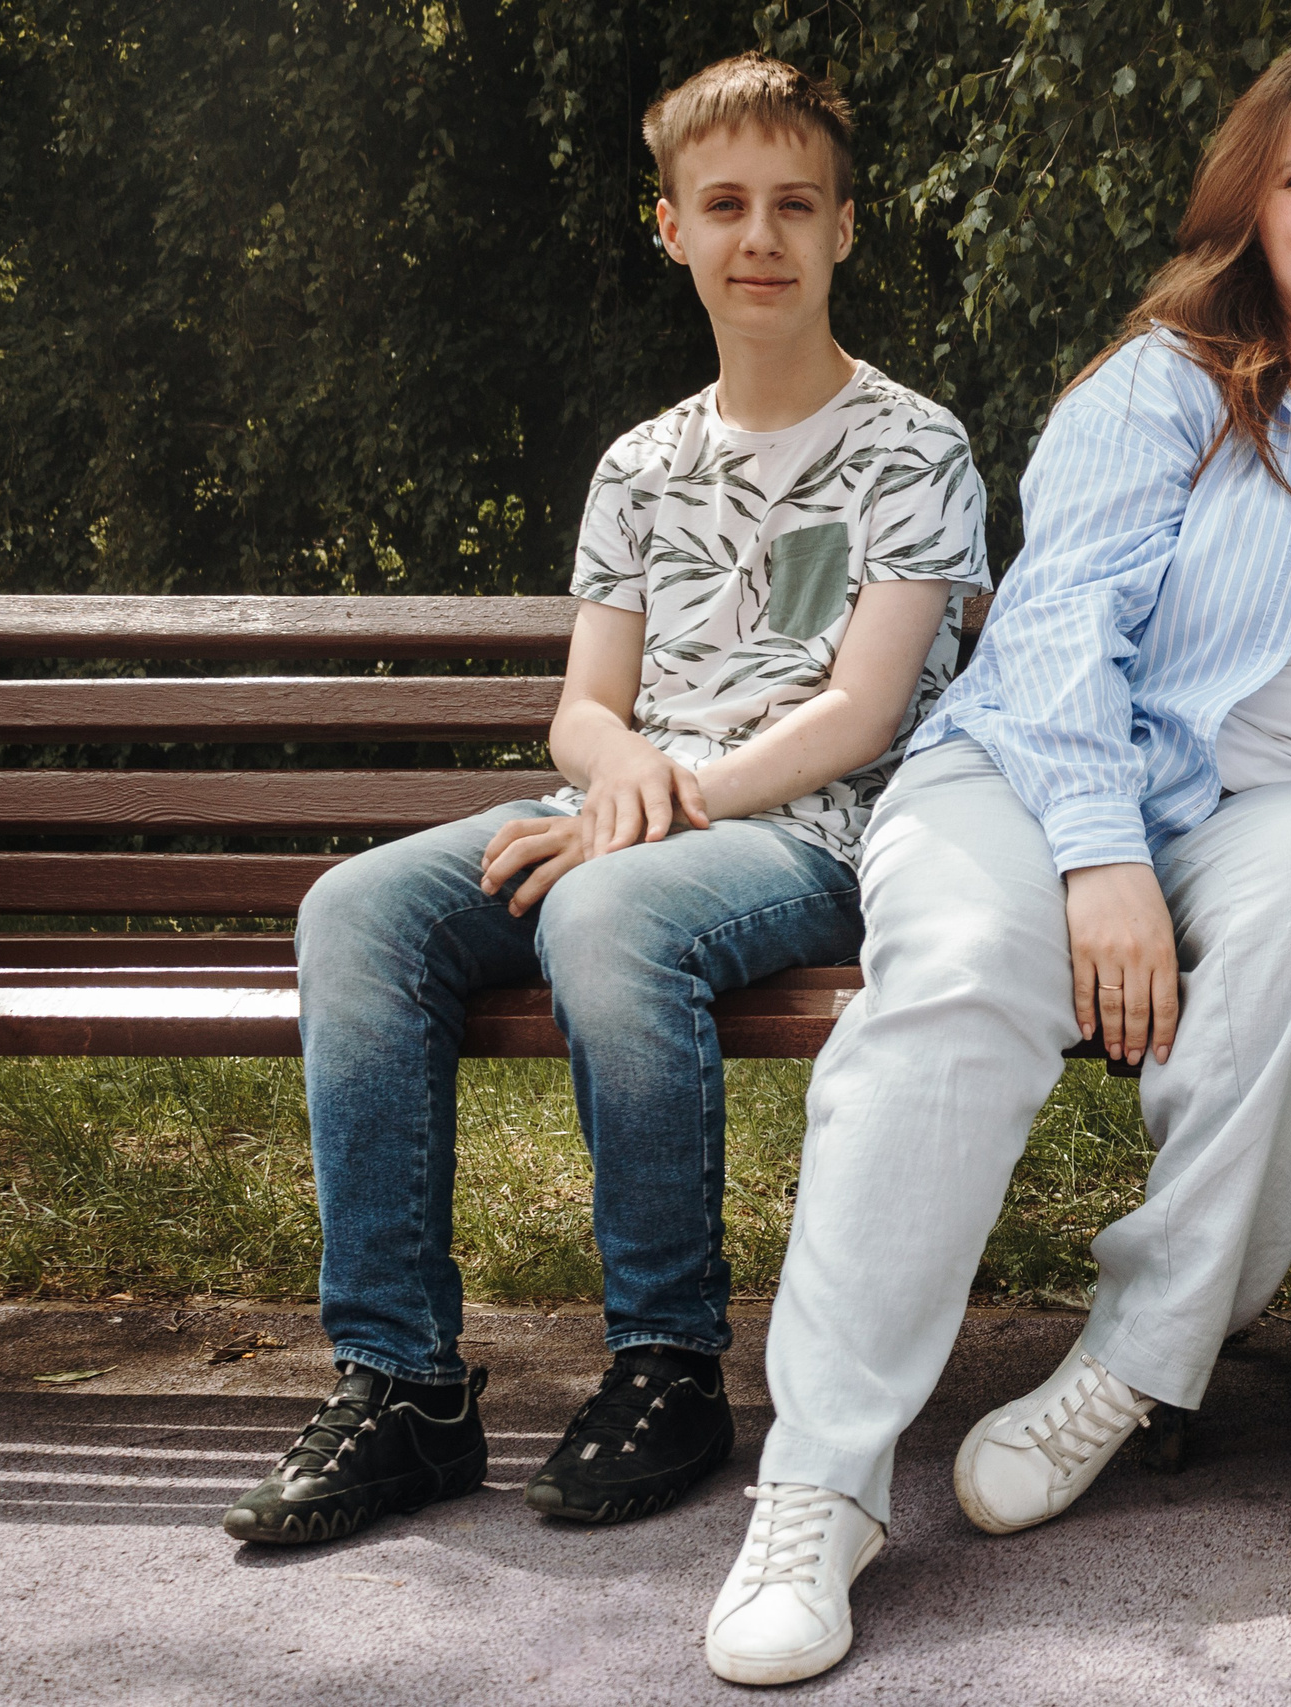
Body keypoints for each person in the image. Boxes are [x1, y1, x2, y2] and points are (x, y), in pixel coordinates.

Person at [697, 42, 1291, 1687]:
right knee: (956, 978)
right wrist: (1097, 860)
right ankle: (820, 1486)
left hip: (1286, 814)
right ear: (1253, 214)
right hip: (1033, 776)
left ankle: (1138, 1360)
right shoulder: (1169, 383)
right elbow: (1063, 624)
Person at [222, 53, 990, 1547]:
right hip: (638, 812)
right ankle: (403, 1387)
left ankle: (665, 1363)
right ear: (672, 230)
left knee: (613, 912)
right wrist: (620, 764)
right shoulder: (642, 463)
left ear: (845, 229)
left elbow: (862, 710)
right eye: (723, 206)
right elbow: (587, 702)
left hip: (811, 832)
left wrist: (657, 799)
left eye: (792, 205)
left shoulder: (916, 443)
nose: (757, 235)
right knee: (360, 911)